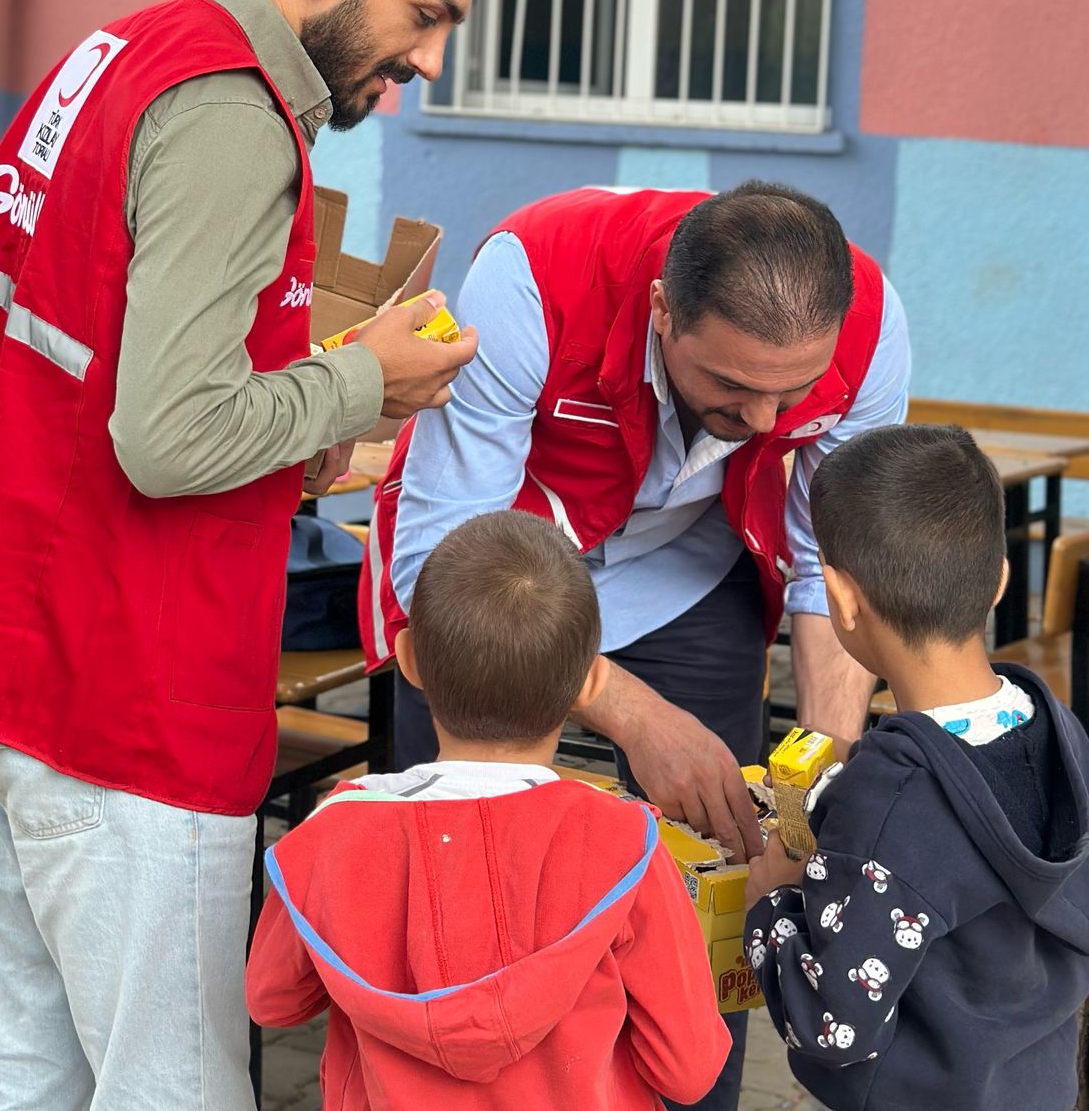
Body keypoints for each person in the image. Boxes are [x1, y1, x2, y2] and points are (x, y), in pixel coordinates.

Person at [0, 0, 509, 1111]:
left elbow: (99, 367)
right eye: (428, 14)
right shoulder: (231, 113)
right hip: (119, 692)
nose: (426, 60)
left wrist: (313, 413)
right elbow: (169, 433)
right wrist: (368, 380)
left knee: (25, 1071)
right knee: (169, 1088)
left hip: (10, 655)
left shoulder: (122, 51)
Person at [361, 180, 912, 1111]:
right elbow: (446, 578)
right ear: (662, 310)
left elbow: (831, 568)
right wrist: (634, 714)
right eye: (731, 387)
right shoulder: (533, 278)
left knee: (721, 877)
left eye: (793, 394)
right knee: (466, 880)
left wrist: (817, 774)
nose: (767, 424)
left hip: (689, 574)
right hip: (507, 573)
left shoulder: (870, 327)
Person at [248, 510, 731, 1109]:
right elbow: (687, 1070)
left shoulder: (333, 832)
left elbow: (273, 1000)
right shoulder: (624, 843)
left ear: (408, 659)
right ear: (589, 685)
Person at [745, 425, 1089, 1110]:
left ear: (842, 599)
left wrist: (773, 905)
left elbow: (834, 1027)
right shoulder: (1060, 730)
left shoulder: (890, 795)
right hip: (1038, 1088)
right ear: (1000, 578)